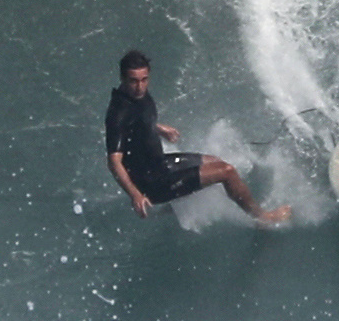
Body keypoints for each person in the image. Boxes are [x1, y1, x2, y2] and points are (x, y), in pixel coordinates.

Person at [104, 49, 289, 226]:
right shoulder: (118, 114)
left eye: (144, 79)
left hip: (159, 165)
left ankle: (172, 207)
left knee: (215, 162)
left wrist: (159, 129)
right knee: (227, 171)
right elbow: (114, 162)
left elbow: (138, 121)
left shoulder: (136, 95)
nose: (140, 86)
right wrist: (135, 195)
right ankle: (263, 218)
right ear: (122, 78)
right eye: (133, 81)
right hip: (152, 183)